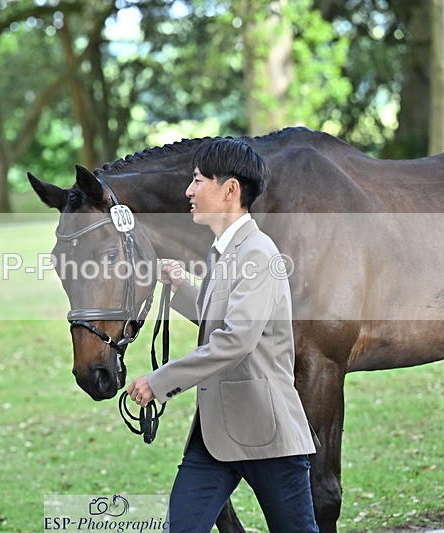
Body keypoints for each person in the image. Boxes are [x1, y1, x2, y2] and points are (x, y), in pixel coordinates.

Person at [126, 138, 318, 532]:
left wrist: (160, 382)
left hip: (268, 433)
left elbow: (235, 341)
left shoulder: (258, 254)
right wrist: (179, 287)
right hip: (214, 438)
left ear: (230, 190)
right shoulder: (223, 252)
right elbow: (219, 320)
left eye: (198, 181)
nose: (189, 192)